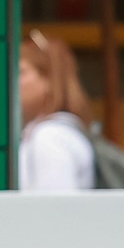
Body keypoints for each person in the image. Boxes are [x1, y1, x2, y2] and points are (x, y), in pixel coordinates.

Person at [18, 30, 96, 191]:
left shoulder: (50, 137)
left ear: (49, 78)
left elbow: (53, 205)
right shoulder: (56, 133)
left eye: (21, 72)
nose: (13, 81)